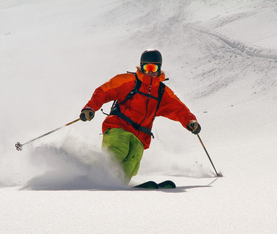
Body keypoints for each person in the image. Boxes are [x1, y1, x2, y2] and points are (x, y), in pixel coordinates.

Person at [79, 49, 201, 183]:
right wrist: (90, 108)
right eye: (146, 67)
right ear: (141, 67)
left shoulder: (161, 91)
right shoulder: (129, 81)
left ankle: (118, 184)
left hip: (140, 136)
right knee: (119, 150)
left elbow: (178, 109)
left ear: (159, 68)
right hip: (118, 126)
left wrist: (190, 121)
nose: (150, 71)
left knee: (132, 161)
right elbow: (104, 91)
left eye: (153, 67)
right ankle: (94, 177)